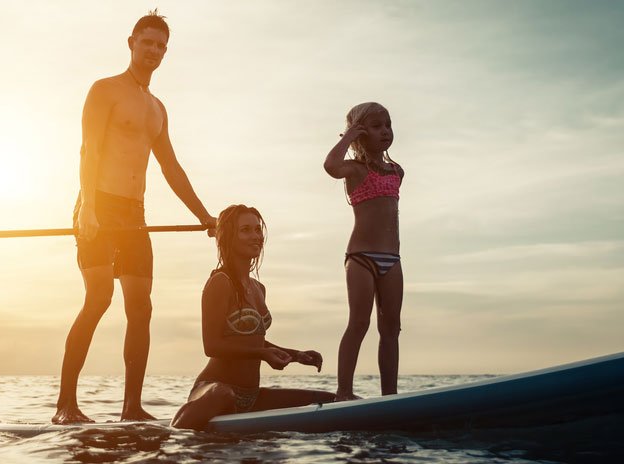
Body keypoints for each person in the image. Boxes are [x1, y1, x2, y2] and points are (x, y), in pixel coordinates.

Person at [54, 11, 217, 424]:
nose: (154, 51)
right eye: (147, 42)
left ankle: (132, 408)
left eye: (161, 46)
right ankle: (65, 406)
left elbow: (171, 169)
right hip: (98, 204)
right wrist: (88, 206)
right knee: (98, 299)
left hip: (134, 214)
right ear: (131, 43)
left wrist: (205, 216)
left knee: (140, 308)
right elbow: (88, 149)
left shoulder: (158, 109)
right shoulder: (104, 90)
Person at [171, 205, 334, 430]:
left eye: (258, 230)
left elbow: (254, 342)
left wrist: (296, 355)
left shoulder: (259, 288)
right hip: (212, 391)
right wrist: (262, 354)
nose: (256, 236)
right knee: (222, 394)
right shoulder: (220, 282)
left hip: (251, 396)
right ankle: (173, 433)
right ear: (229, 237)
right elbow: (212, 346)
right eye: (246, 230)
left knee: (328, 400)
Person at [323, 102, 404, 400]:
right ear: (360, 133)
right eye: (375, 126)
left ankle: (390, 396)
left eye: (388, 124)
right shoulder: (354, 169)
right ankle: (343, 392)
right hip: (361, 258)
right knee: (359, 322)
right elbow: (330, 165)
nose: (384, 131)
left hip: (391, 260)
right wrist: (348, 137)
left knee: (391, 328)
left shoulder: (397, 171)